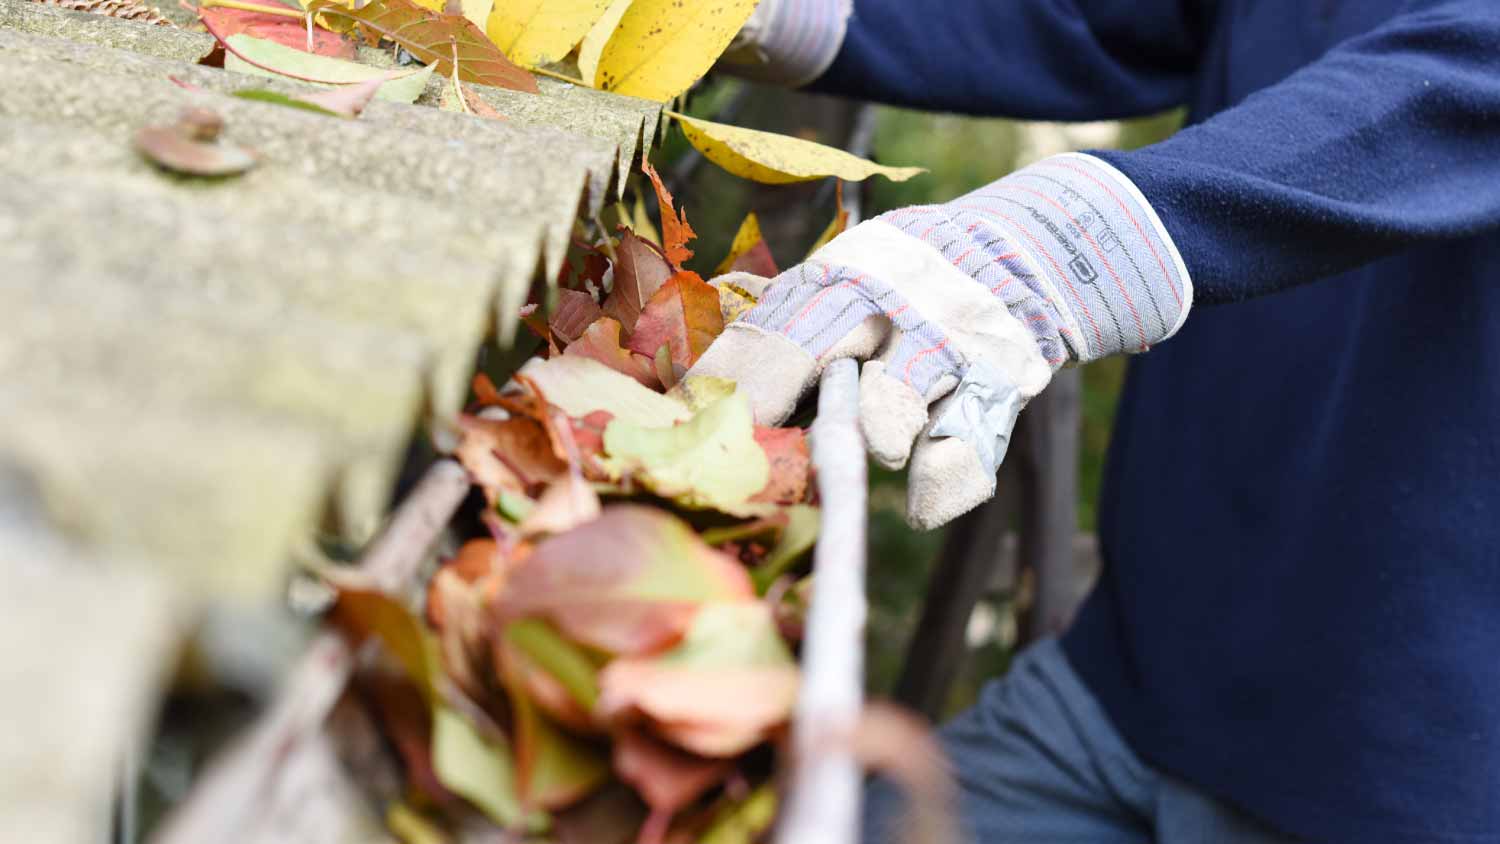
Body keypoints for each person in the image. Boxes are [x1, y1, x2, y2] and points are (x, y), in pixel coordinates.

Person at [689, 1, 1500, 842]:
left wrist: (1068, 243)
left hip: (1411, 778)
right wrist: (796, 14)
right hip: (1120, 684)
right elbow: (1104, 21)